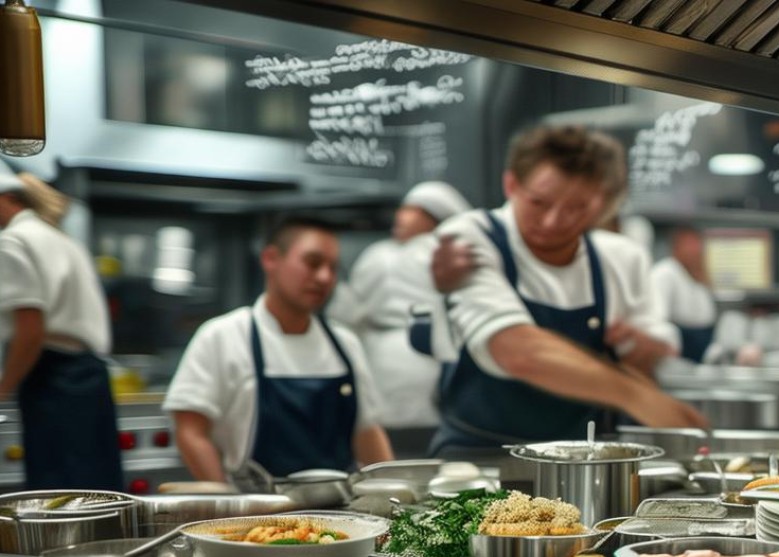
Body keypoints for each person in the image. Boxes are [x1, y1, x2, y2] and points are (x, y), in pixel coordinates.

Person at [425, 124, 707, 450]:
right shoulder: (468, 238)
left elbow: (651, 353)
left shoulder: (620, 258)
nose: (552, 222)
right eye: (539, 203)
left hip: (582, 459)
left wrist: (645, 348)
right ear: (511, 183)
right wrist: (634, 394)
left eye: (577, 208)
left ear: (605, 206)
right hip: (480, 458)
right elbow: (517, 351)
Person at [164, 217, 393, 481]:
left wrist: (394, 494)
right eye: (313, 263)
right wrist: (226, 503)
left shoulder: (345, 344)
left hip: (342, 511)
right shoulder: (223, 336)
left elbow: (367, 432)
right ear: (271, 259)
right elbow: (190, 432)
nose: (324, 277)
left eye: (333, 268)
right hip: (255, 511)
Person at [0, 168, 124, 490]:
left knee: (58, 495)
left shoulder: (12, 241)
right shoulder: (61, 239)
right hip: (90, 375)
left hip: (52, 377)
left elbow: (30, 330)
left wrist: (3, 389)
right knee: (99, 491)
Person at [332, 182, 470, 428]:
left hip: (428, 362)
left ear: (435, 220)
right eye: (402, 209)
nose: (401, 216)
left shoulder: (439, 253)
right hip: (380, 360)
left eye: (413, 210)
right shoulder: (379, 253)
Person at [651, 227, 717, 363]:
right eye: (689, 245)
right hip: (680, 351)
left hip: (702, 349)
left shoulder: (698, 276)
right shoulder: (665, 272)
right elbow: (656, 318)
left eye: (697, 244)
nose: (695, 250)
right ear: (676, 247)